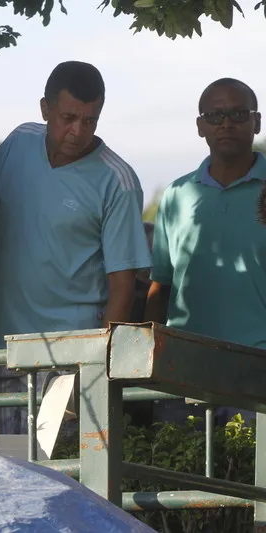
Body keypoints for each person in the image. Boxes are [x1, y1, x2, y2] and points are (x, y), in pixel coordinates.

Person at [0, 61, 151, 436]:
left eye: (90, 120)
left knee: (60, 482)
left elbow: (123, 285)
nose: (78, 130)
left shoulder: (118, 180)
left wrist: (96, 369)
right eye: (68, 117)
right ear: (45, 109)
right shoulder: (17, 143)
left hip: (68, 361)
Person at [145, 78, 265, 425]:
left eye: (238, 114)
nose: (226, 123)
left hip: (257, 370)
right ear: (201, 126)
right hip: (185, 370)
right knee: (181, 478)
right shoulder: (177, 195)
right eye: (214, 115)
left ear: (256, 122)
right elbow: (161, 286)